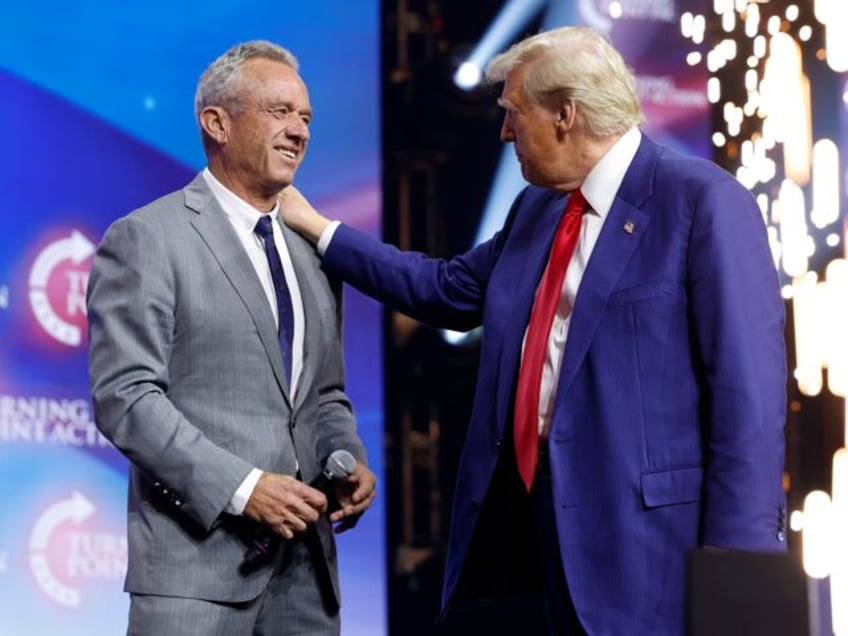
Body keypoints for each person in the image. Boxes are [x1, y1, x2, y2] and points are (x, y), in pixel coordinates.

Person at [281, 26, 787, 636]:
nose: (503, 133)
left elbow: (748, 400)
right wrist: (317, 227)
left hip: (643, 558)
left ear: (565, 115)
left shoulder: (701, 203)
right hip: (516, 548)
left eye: (513, 113)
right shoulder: (536, 209)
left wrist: (736, 577)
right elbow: (444, 290)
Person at [87, 41, 376, 635]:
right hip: (195, 578)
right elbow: (127, 398)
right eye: (279, 112)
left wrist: (346, 457)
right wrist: (245, 490)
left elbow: (324, 394)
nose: (298, 131)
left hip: (306, 579)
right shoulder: (149, 237)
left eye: (306, 117)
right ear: (216, 123)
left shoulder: (313, 253)